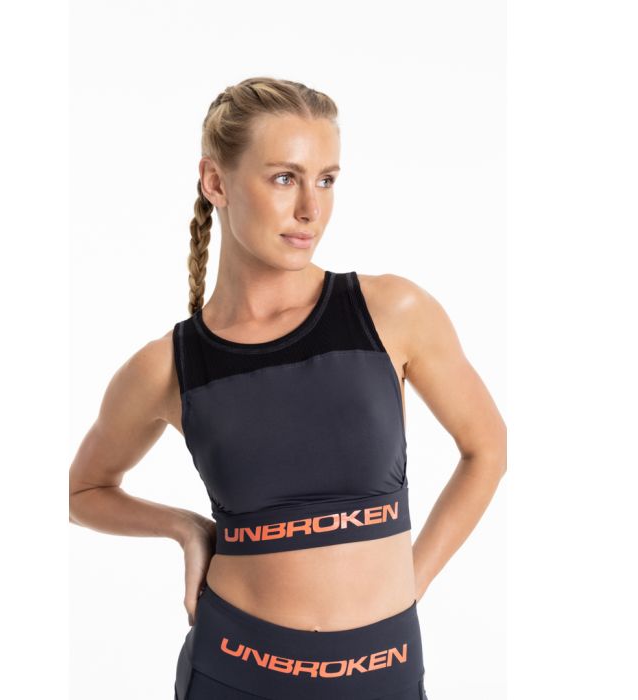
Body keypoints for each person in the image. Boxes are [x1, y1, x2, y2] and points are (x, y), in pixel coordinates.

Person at [69, 76, 506, 700]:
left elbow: (487, 448)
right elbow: (81, 490)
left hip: (383, 673)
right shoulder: (167, 367)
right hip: (234, 672)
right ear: (216, 182)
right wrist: (186, 528)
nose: (310, 209)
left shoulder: (391, 312)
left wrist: (413, 581)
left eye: (326, 180)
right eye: (283, 178)